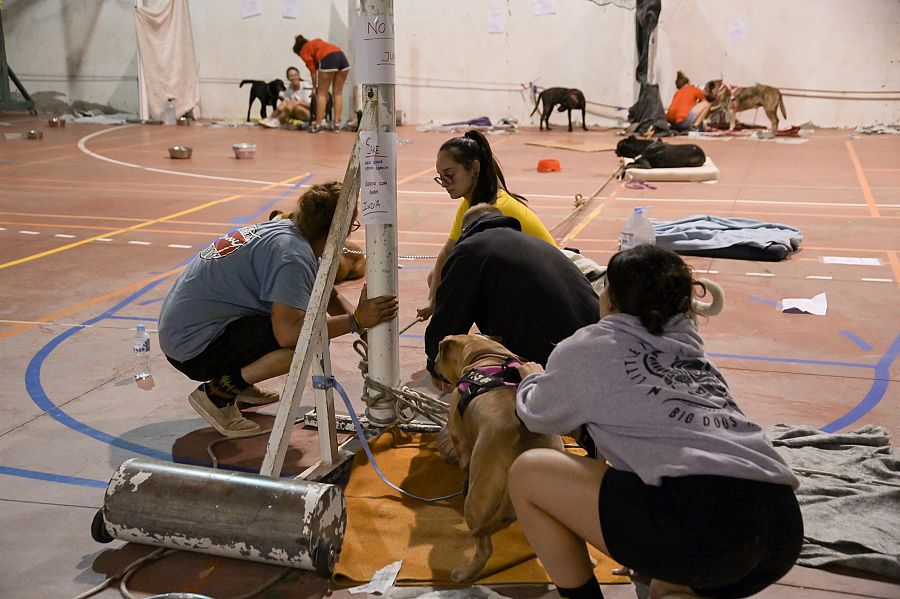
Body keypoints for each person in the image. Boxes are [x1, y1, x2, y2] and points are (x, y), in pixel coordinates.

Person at [509, 245, 803, 599]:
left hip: (703, 523)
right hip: (782, 526)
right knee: (667, 584)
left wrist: (530, 378)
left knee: (528, 472)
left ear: (610, 299)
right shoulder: (689, 347)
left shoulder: (590, 347)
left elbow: (538, 415)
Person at [158, 182, 399, 437]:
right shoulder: (292, 256)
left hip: (184, 332)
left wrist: (363, 326)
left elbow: (325, 293)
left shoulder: (289, 230)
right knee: (308, 344)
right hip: (194, 348)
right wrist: (355, 321)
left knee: (299, 322)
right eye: (352, 226)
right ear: (337, 227)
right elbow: (290, 334)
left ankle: (239, 381)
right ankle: (219, 392)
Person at [425, 204, 598, 392]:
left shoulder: (471, 249)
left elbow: (449, 316)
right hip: (597, 344)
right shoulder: (535, 243)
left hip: (556, 359)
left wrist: (436, 365)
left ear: (465, 231)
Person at [417, 129, 557, 320]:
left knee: (460, 284)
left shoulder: (496, 209)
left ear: (474, 168)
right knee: (437, 276)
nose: (444, 183)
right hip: (524, 278)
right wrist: (431, 299)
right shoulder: (469, 203)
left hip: (546, 284)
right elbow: (446, 253)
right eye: (441, 177)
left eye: (450, 174)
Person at [292, 35, 351, 132]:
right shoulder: (316, 41)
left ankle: (318, 125)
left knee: (322, 93)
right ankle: (336, 124)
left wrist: (314, 87)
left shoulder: (303, 51)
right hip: (341, 57)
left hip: (328, 58)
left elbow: (312, 71)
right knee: (338, 93)